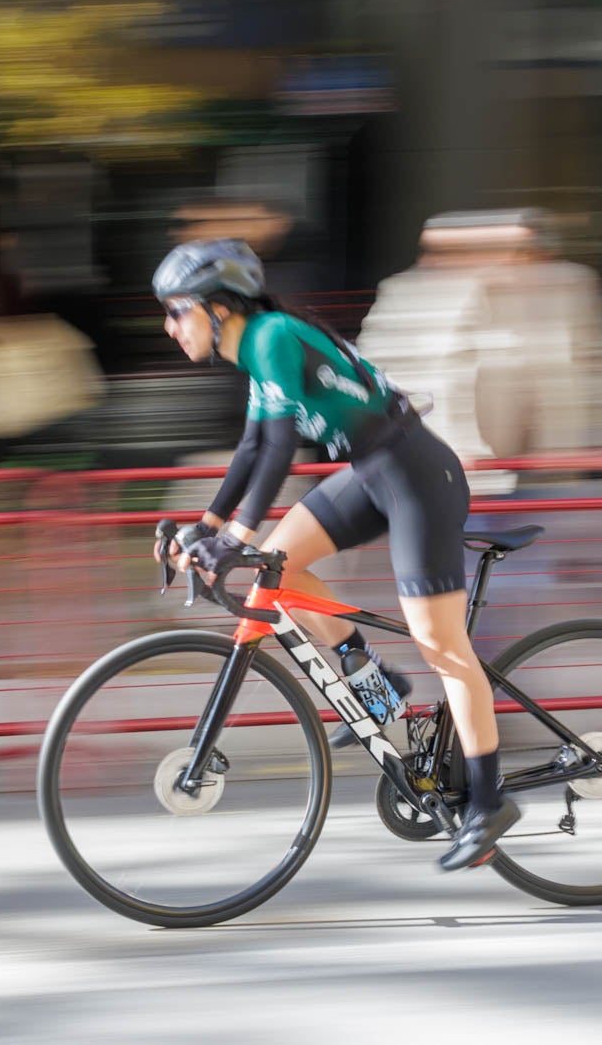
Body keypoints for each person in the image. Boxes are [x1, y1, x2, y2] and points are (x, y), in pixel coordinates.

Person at [151, 238, 519, 871]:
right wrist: (206, 527)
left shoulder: (270, 336)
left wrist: (234, 538)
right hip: (372, 472)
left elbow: (278, 452)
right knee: (280, 566)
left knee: (443, 647)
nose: (169, 325)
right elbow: (250, 448)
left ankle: (488, 803)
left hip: (416, 477)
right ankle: (377, 683)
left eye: (177, 310)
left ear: (217, 308)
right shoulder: (259, 347)